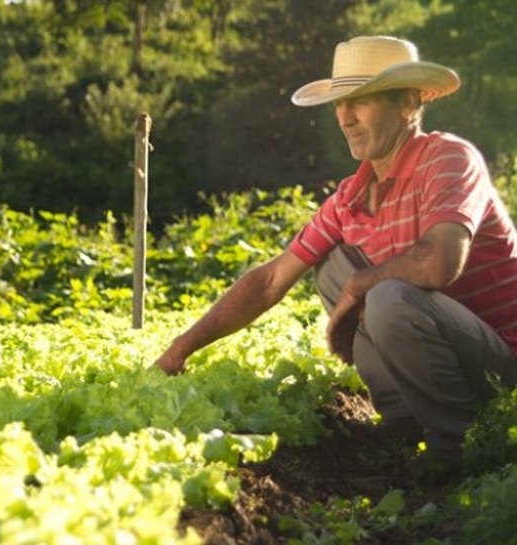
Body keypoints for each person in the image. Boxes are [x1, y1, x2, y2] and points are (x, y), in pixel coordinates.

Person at [155, 36, 517, 467]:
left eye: (361, 101)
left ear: (406, 103)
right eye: (340, 104)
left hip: (501, 365)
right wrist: (182, 347)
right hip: (444, 353)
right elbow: (271, 280)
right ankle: (403, 422)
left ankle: (457, 448)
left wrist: (365, 282)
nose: (345, 117)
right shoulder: (350, 197)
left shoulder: (448, 159)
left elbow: (441, 260)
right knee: (330, 264)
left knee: (383, 292)